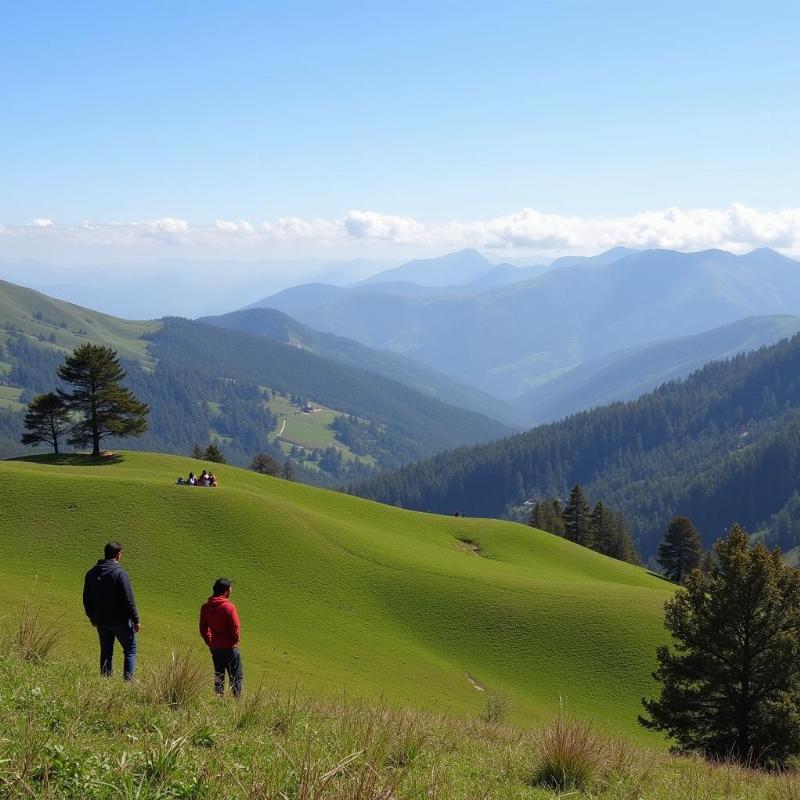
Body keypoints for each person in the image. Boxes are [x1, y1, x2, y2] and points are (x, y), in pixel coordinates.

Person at [82, 541, 141, 680]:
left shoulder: (91, 573)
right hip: (120, 620)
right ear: (117, 555)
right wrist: (136, 620)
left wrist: (92, 617)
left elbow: (86, 598)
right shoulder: (120, 573)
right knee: (130, 650)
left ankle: (105, 681)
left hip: (101, 620)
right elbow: (128, 599)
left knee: (106, 651)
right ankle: (128, 682)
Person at [199, 578, 243, 697]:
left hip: (215, 647)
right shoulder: (229, 607)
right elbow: (235, 628)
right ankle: (236, 704)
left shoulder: (206, 607)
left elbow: (203, 629)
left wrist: (210, 642)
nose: (231, 591)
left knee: (219, 677)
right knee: (236, 677)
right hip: (230, 647)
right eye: (230, 588)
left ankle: (219, 700)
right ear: (226, 591)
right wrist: (235, 640)